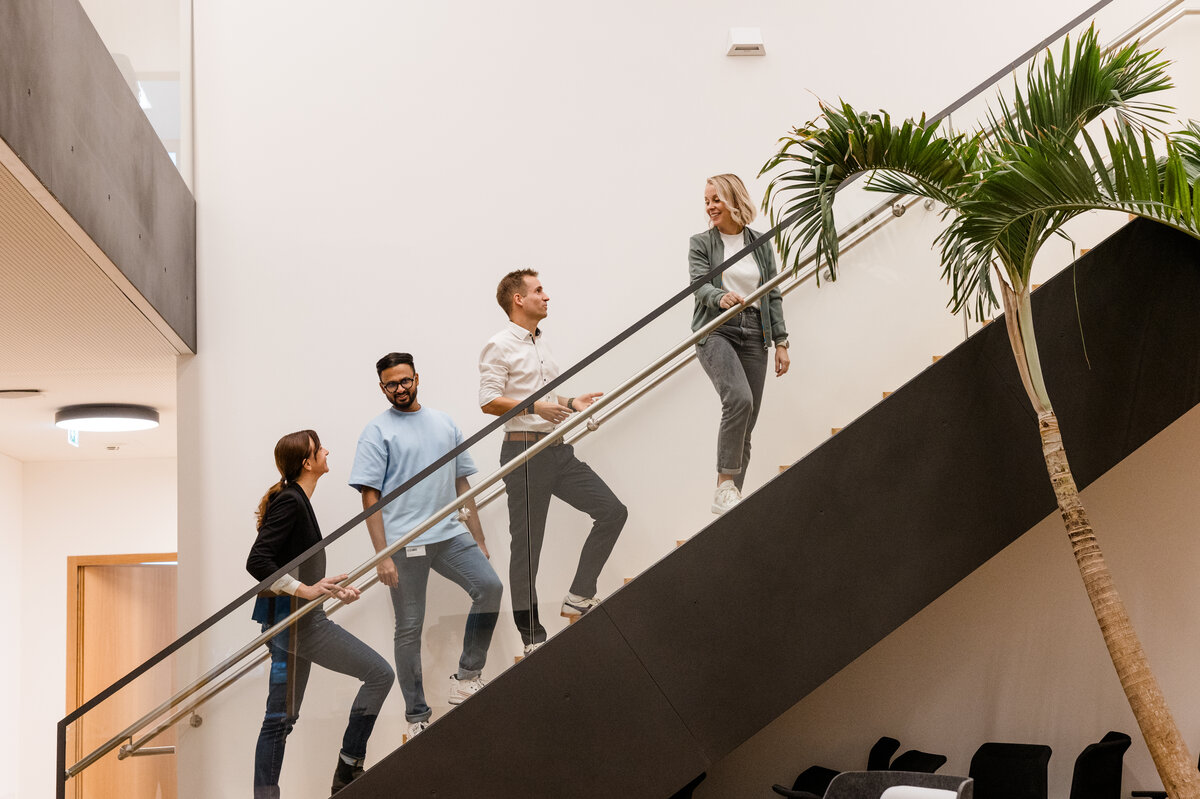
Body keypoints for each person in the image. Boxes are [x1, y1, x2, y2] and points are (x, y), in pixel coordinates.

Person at [349, 352, 502, 741]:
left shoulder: (444, 423)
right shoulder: (377, 431)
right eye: (391, 384)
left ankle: (467, 676)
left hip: (449, 534)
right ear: (382, 387)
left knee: (489, 587)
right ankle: (416, 715)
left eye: (405, 380)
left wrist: (478, 537)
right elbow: (370, 497)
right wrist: (383, 555)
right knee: (409, 628)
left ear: (417, 378)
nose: (399, 389)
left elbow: (462, 483)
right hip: (404, 544)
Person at [479, 270, 628, 654]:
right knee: (527, 551)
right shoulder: (499, 345)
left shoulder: (540, 343)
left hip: (556, 450)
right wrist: (536, 407)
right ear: (518, 299)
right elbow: (489, 401)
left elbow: (543, 398)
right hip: (524, 455)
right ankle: (532, 639)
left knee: (613, 511)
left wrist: (570, 402)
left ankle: (579, 595)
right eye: (538, 290)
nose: (546, 296)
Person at [246, 430, 393, 798]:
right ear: (307, 463)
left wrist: (325, 589)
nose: (327, 450)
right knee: (380, 674)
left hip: (287, 621)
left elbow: (290, 563)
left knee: (280, 719)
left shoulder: (296, 499)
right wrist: (306, 591)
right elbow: (258, 561)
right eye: (320, 448)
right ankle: (348, 767)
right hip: (298, 624)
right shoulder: (291, 501)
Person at [689, 173, 791, 515]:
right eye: (706, 201)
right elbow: (699, 284)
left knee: (747, 420)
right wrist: (719, 297)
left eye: (716, 199)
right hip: (718, 329)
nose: (710, 206)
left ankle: (730, 504)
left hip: (755, 332)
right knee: (738, 399)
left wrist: (781, 341)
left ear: (733, 199)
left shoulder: (759, 243)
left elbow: (772, 293)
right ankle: (724, 487)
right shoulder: (701, 243)